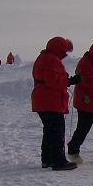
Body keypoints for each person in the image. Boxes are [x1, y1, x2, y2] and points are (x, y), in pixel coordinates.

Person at [31, 37, 81, 171]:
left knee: (49, 131)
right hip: (50, 100)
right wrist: (70, 81)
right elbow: (53, 81)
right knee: (57, 132)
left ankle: (47, 159)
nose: (65, 54)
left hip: (43, 99)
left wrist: (67, 80)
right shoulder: (51, 60)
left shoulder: (44, 57)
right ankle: (59, 161)